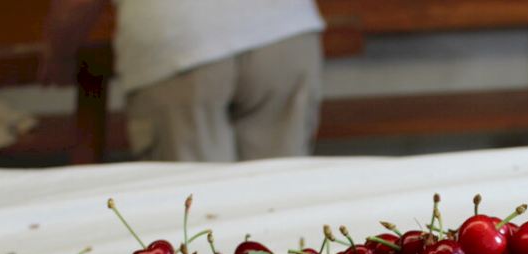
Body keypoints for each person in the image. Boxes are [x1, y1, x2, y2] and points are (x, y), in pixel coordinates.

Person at [40, 0, 324, 161]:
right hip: (287, 32)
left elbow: (74, 6)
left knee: (197, 202)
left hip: (180, 42)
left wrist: (59, 55)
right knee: (277, 194)